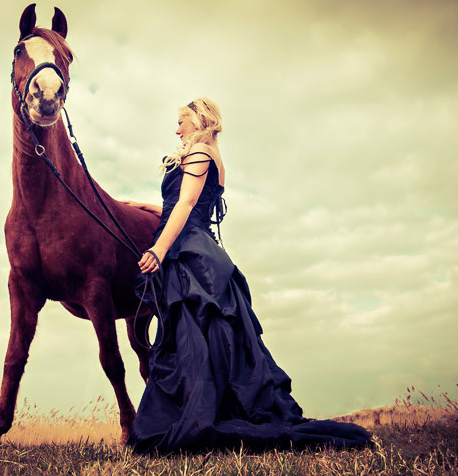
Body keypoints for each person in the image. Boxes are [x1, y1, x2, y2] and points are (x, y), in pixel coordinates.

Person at [121, 97, 373, 455]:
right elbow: (184, 203)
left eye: (181, 121)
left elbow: (188, 205)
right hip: (195, 246)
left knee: (194, 339)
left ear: (198, 120)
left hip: (190, 254)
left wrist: (158, 250)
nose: (177, 129)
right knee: (199, 340)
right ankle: (202, 409)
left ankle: (196, 418)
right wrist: (140, 205)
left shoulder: (200, 154)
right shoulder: (207, 156)